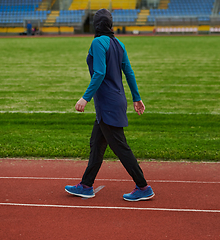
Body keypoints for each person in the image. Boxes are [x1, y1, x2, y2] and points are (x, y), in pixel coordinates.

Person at [65, 9, 154, 202]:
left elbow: (99, 73)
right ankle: (86, 185)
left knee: (120, 147)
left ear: (96, 25)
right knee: (96, 144)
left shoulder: (98, 42)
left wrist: (85, 98)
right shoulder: (119, 44)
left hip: (107, 104)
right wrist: (137, 98)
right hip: (114, 102)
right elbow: (129, 72)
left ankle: (143, 186)